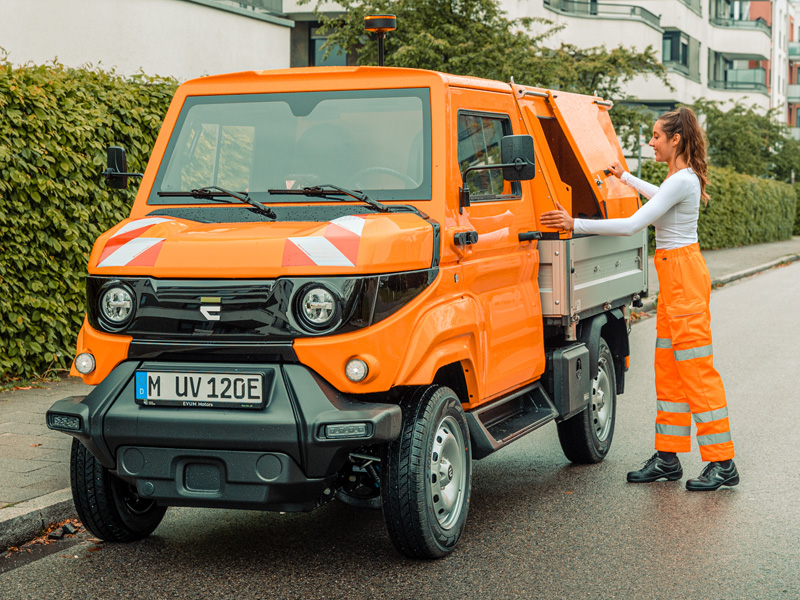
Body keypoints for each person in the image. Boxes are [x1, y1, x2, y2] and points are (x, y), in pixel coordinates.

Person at [540, 107, 738, 492]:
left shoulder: (682, 180)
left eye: (656, 136)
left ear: (675, 140)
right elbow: (658, 196)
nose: (651, 142)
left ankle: (722, 461)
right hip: (675, 276)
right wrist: (626, 177)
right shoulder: (677, 180)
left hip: (684, 277)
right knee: (668, 368)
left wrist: (574, 224)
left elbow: (634, 223)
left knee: (696, 369)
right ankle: (668, 457)